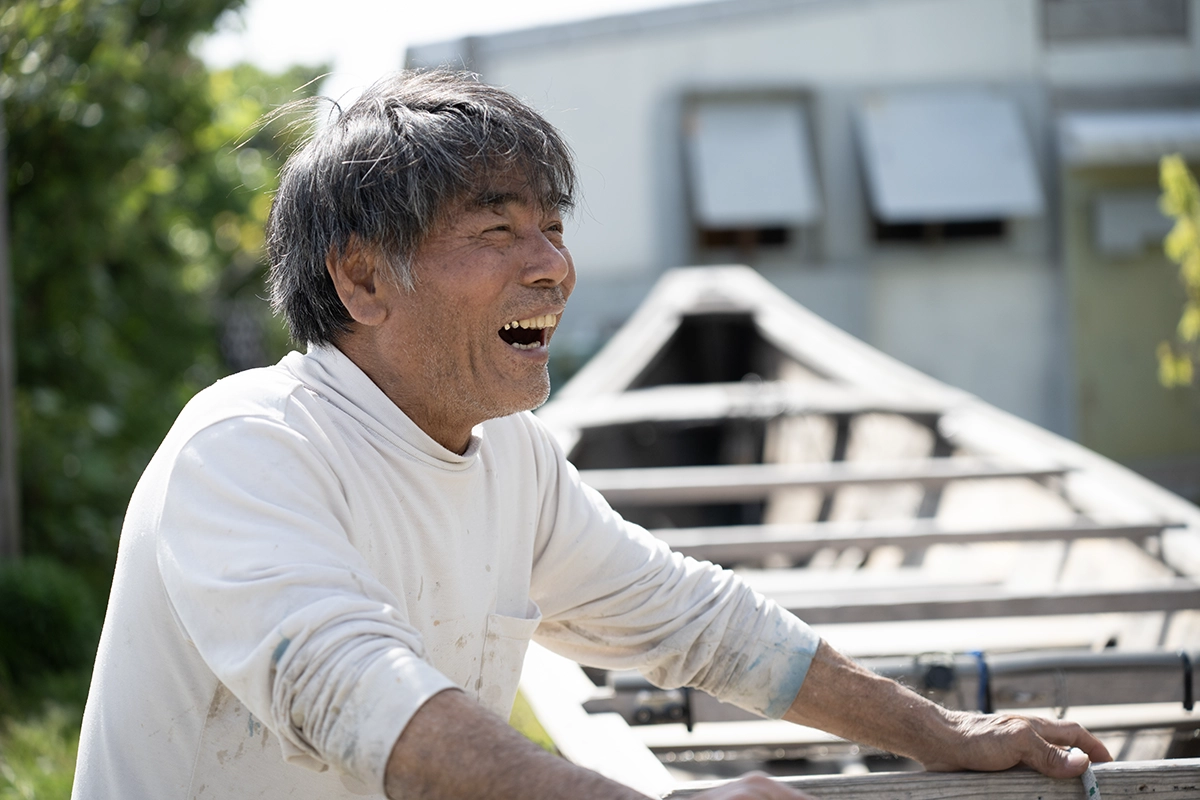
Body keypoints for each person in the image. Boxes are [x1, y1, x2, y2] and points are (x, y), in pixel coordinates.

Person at [71, 71, 1110, 800]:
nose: (553, 265)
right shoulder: (249, 449)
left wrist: (943, 730)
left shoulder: (510, 457)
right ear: (360, 277)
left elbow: (695, 618)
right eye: (496, 230)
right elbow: (372, 710)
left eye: (553, 227)